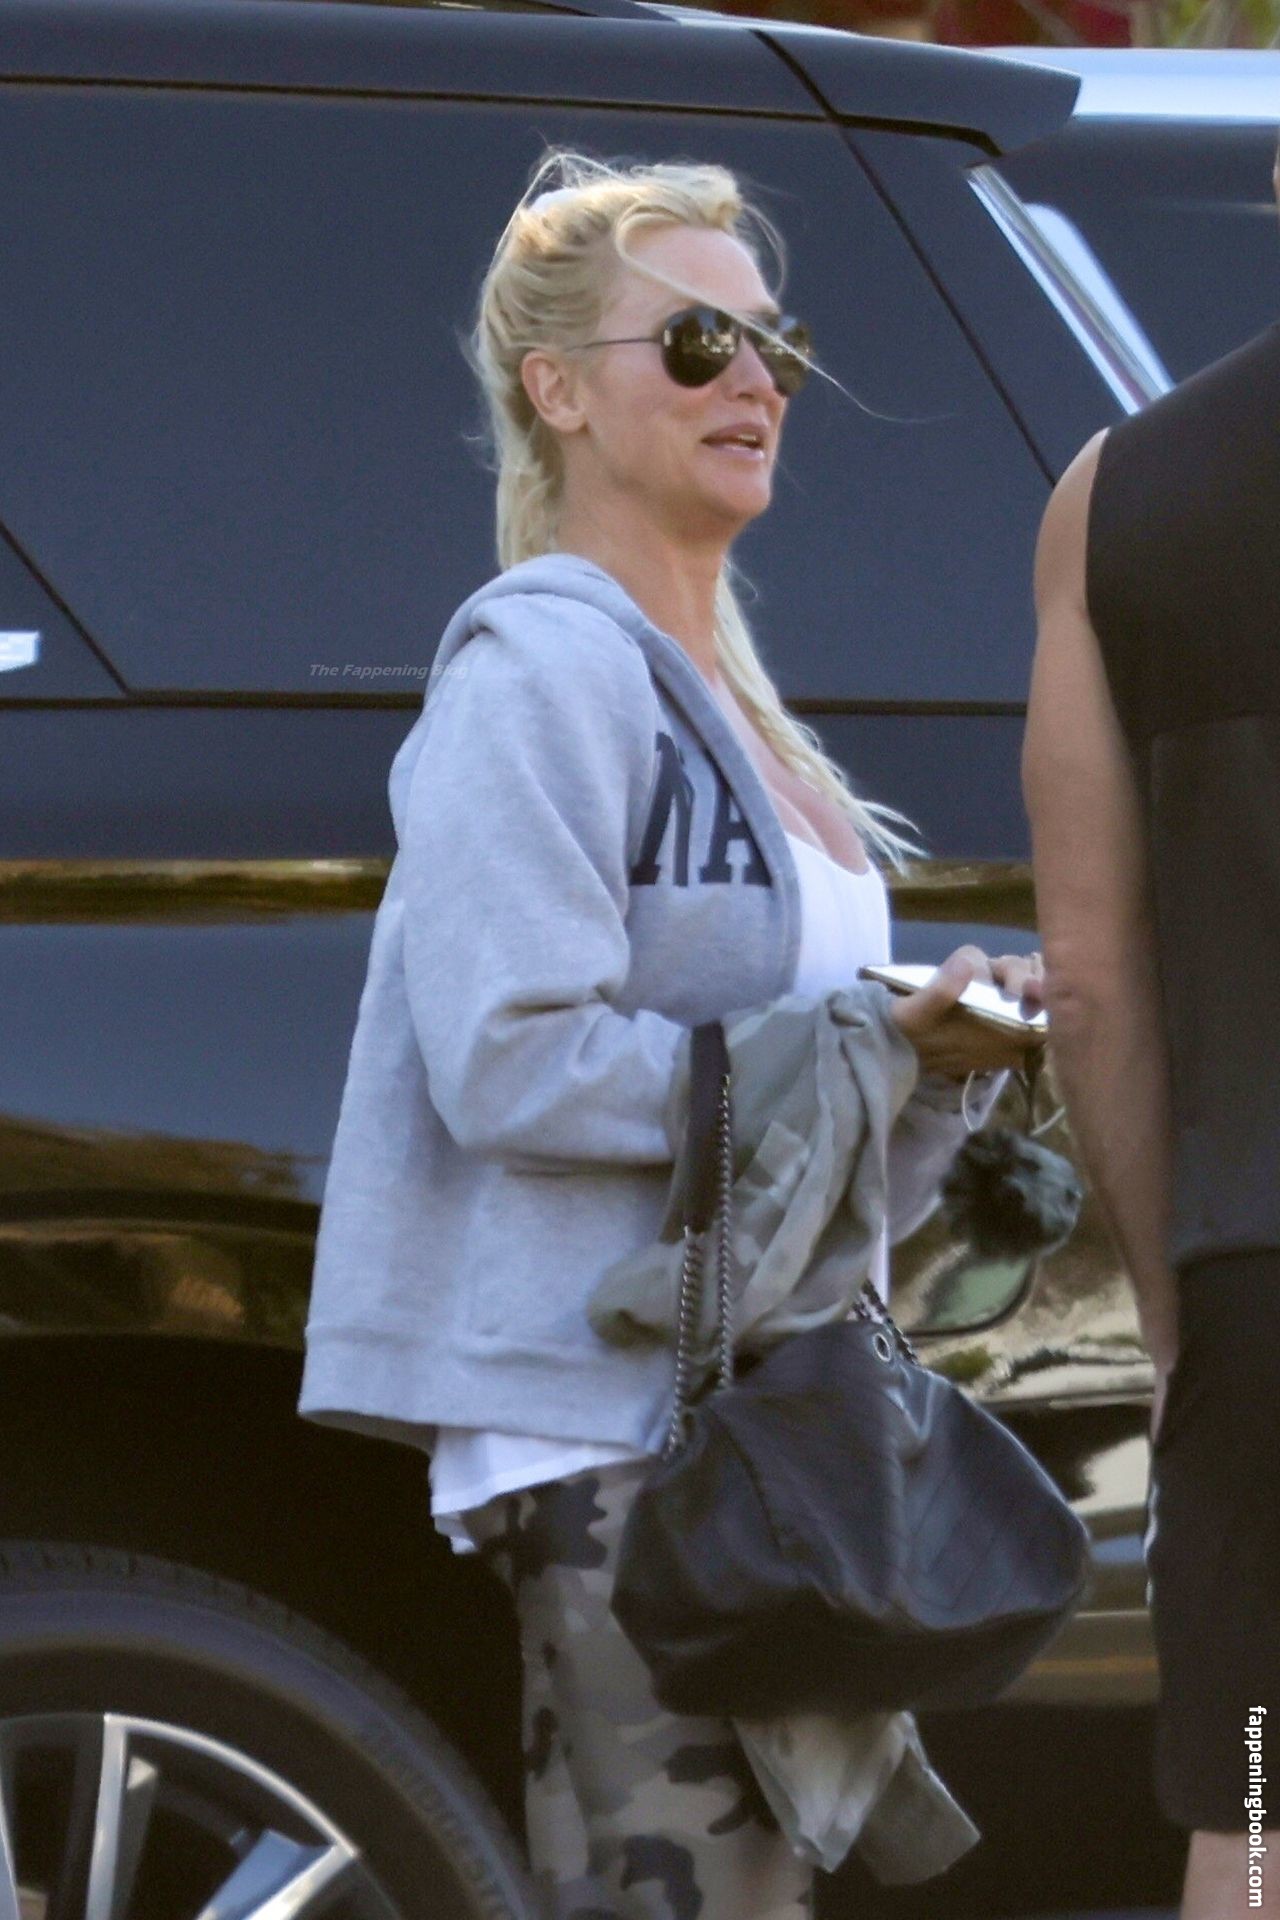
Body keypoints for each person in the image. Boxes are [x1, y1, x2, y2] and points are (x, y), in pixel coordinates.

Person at [299, 147, 1043, 1920]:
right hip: (619, 1428)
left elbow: (809, 1143)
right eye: (700, 342)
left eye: (777, 344)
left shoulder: (751, 723)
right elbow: (507, 1058)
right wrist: (849, 1047)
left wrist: (937, 1061)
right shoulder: (537, 673)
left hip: (769, 1429)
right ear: (558, 391)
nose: (757, 380)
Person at [1022, 133, 1280, 1920]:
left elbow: (1092, 980)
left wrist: (1182, 1319)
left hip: (1259, 1277)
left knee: (1255, 1805)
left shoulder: (1118, 496)